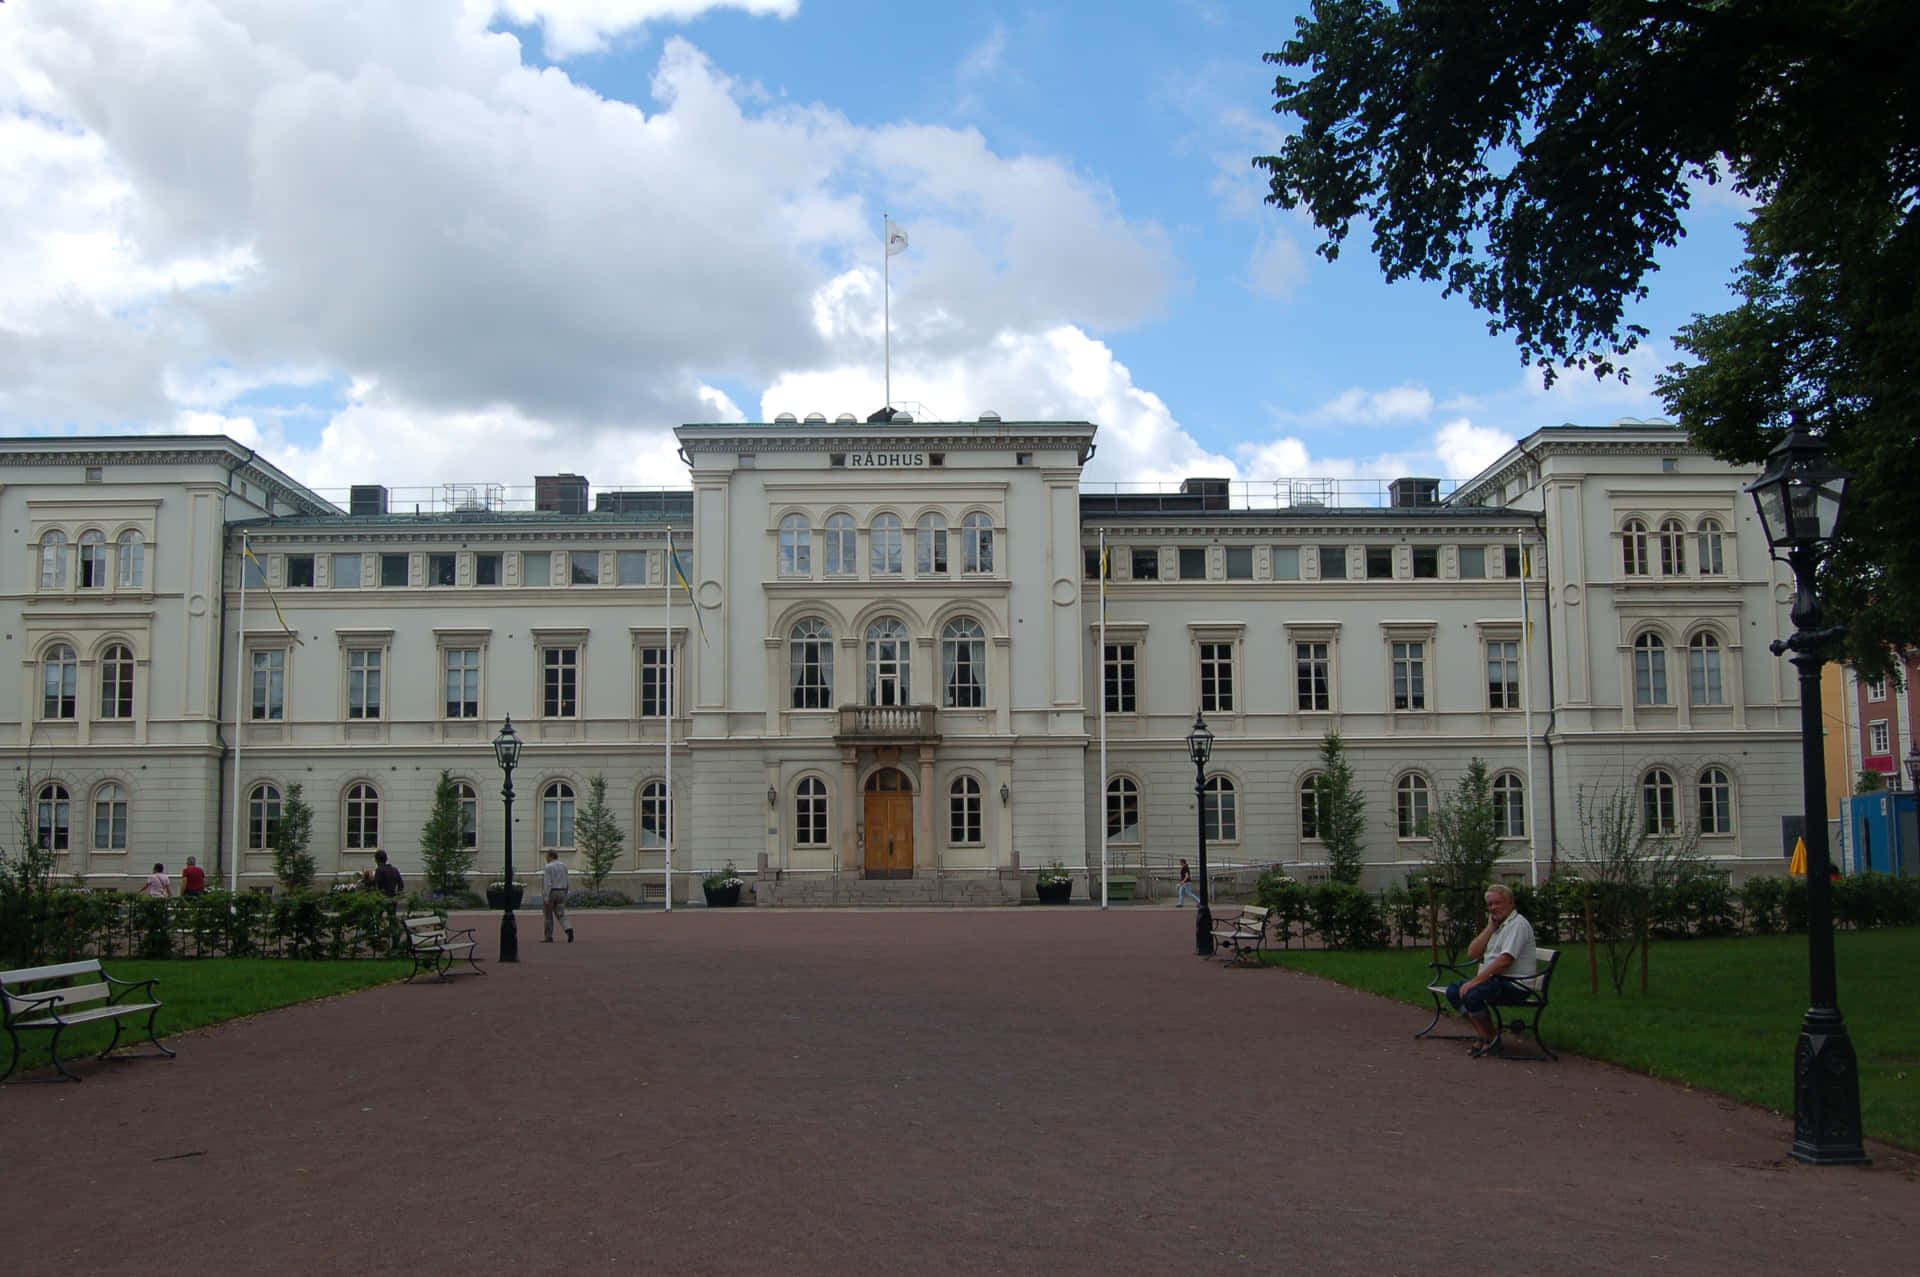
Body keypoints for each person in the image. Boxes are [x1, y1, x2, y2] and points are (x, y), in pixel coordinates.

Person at [1445, 884, 1538, 1057]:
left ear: (1511, 903)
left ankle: (1490, 1040)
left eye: (1498, 903)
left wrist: (1476, 981)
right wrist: (1489, 929)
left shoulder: (1517, 925)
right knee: (1453, 991)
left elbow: (1505, 961)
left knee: (1472, 995)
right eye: (1490, 904)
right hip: (1497, 981)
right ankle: (1487, 1036)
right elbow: (1472, 953)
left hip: (1515, 985)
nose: (1493, 908)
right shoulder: (1498, 926)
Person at [542, 849, 573, 943]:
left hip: (552, 892)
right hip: (562, 891)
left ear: (551, 857)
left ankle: (548, 936)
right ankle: (568, 928)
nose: (546, 859)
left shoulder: (548, 867)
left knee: (548, 915)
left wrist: (546, 896)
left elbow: (547, 883)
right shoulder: (564, 866)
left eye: (547, 857)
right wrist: (566, 892)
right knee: (561, 914)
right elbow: (567, 880)